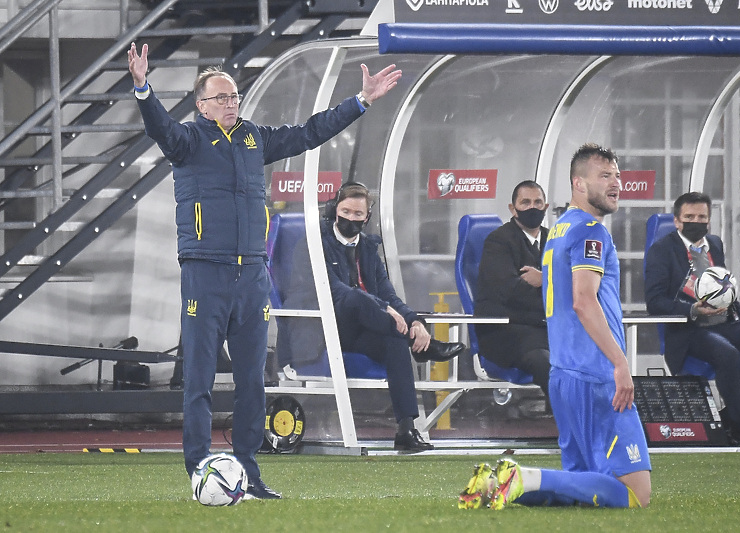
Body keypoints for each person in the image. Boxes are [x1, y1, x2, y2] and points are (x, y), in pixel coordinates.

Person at [127, 42, 402, 498]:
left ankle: (248, 472)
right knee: (198, 378)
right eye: (221, 97)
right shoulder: (189, 141)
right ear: (201, 105)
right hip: (205, 273)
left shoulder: (255, 138)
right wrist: (143, 88)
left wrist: (361, 101)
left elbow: (311, 132)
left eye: (234, 96)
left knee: (254, 379)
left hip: (252, 276)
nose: (231, 103)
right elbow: (160, 127)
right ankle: (199, 468)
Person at [459, 143, 651, 510]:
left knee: (581, 490)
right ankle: (522, 476)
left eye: (618, 176)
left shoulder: (560, 229)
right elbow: (583, 300)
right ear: (579, 183)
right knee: (634, 494)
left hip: (564, 373)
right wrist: (619, 362)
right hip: (595, 373)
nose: (616, 184)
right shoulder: (591, 231)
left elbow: (560, 295)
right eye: (605, 176)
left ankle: (496, 486)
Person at [314, 182, 466, 451]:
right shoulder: (316, 244)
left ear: (367, 217)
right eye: (345, 211)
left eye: (357, 214)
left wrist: (416, 321)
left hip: (368, 329)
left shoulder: (369, 249)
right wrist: (383, 308)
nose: (350, 218)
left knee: (395, 341)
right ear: (333, 210)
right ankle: (424, 348)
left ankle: (406, 429)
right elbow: (334, 291)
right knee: (355, 297)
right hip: (331, 329)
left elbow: (389, 295)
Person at [644, 191, 740, 446]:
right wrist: (693, 310)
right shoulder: (662, 250)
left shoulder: (714, 244)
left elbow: (723, 286)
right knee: (728, 355)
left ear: (709, 220)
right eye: (689, 217)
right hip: (689, 329)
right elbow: (655, 302)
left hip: (728, 322)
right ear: (677, 221)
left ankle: (730, 420)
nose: (697, 221)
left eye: (702, 217)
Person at [473, 180, 551, 395]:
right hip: (506, 332)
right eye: (525, 202)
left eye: (538, 202)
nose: (532, 207)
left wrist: (546, 279)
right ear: (512, 208)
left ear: (546, 207)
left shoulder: (555, 239)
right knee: (547, 364)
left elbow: (577, 284)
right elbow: (510, 291)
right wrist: (556, 290)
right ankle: (570, 424)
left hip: (546, 329)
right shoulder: (498, 242)